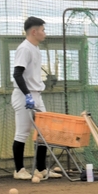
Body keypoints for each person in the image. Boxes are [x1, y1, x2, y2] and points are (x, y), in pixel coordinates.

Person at [10, 17, 59, 180]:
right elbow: (17, 74)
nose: (44, 33)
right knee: (22, 133)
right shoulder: (24, 49)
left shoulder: (35, 49)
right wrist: (27, 95)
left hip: (36, 95)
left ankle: (41, 168)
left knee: (43, 132)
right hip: (24, 96)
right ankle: (19, 170)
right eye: (42, 30)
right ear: (34, 31)